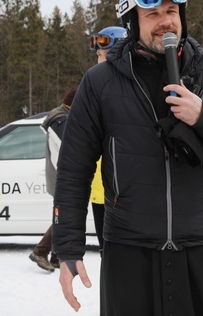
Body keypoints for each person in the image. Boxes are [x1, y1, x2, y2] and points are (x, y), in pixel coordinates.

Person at [52, 0, 203, 315]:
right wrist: (67, 247)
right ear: (132, 22)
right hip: (129, 250)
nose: (164, 22)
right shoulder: (101, 82)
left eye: (171, 11)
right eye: (152, 14)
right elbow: (73, 168)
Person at [87, 25, 128, 255]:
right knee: (108, 255)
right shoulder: (94, 90)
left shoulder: (137, 92)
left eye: (102, 56)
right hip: (100, 192)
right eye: (97, 57)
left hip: (127, 195)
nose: (98, 63)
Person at [29, 87, 78, 272]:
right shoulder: (61, 121)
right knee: (64, 216)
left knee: (64, 216)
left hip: (62, 176)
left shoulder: (61, 117)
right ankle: (41, 251)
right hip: (63, 178)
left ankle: (57, 256)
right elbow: (66, 153)